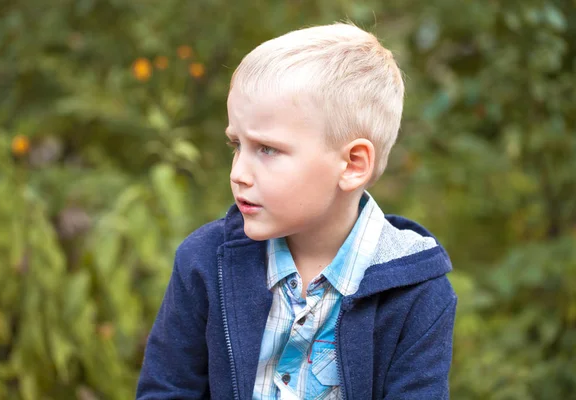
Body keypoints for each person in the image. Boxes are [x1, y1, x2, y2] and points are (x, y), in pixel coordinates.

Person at [136, 22, 456, 400]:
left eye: (267, 149)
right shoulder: (205, 263)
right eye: (236, 144)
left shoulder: (416, 290)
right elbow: (167, 390)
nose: (238, 173)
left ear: (353, 164)